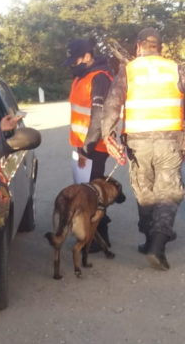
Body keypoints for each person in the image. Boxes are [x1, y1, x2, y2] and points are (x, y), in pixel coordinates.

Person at [101, 27, 185, 270]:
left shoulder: (128, 71)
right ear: (160, 47)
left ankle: (151, 240)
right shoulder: (179, 69)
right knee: (169, 191)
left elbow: (112, 104)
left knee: (145, 190)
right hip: (169, 141)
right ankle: (157, 245)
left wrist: (108, 136)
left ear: (139, 46)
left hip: (137, 142)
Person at [65, 38, 113, 252]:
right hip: (82, 147)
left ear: (87, 56)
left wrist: (88, 148)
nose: (73, 64)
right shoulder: (81, 77)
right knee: (89, 194)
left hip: (94, 148)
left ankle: (97, 239)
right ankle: (96, 238)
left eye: (75, 59)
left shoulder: (100, 77)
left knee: (94, 195)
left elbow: (98, 116)